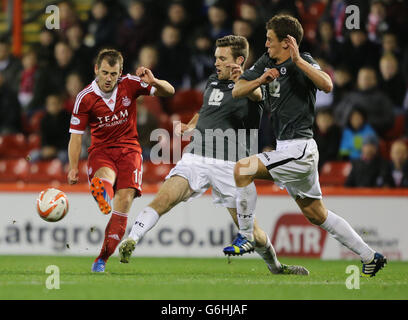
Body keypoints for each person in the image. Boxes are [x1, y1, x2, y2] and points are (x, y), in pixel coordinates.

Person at [118, 35, 309, 276]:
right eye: (215, 57)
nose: (216, 62)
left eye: (222, 58)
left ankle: (277, 267)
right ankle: (132, 240)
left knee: (253, 234)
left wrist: (252, 79)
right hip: (196, 157)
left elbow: (257, 97)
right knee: (164, 198)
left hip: (230, 165)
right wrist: (190, 126)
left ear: (238, 60)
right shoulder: (212, 80)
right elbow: (207, 109)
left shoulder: (254, 84)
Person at [224, 15, 387, 277]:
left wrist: (299, 61)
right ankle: (371, 256)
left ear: (288, 42)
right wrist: (258, 80)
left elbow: (327, 84)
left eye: (270, 39)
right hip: (288, 149)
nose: (265, 44)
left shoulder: (304, 60)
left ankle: (245, 236)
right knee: (315, 213)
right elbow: (237, 90)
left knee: (242, 169)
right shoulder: (268, 62)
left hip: (299, 148)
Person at [67, 48, 175, 272]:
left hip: (130, 151)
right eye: (104, 72)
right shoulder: (84, 98)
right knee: (106, 175)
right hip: (101, 151)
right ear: (96, 69)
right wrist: (73, 167)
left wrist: (154, 80)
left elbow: (169, 91)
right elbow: (75, 138)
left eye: (113, 74)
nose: (108, 79)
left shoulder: (130, 84)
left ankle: (102, 258)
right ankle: (103, 192)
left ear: (120, 72)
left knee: (124, 200)